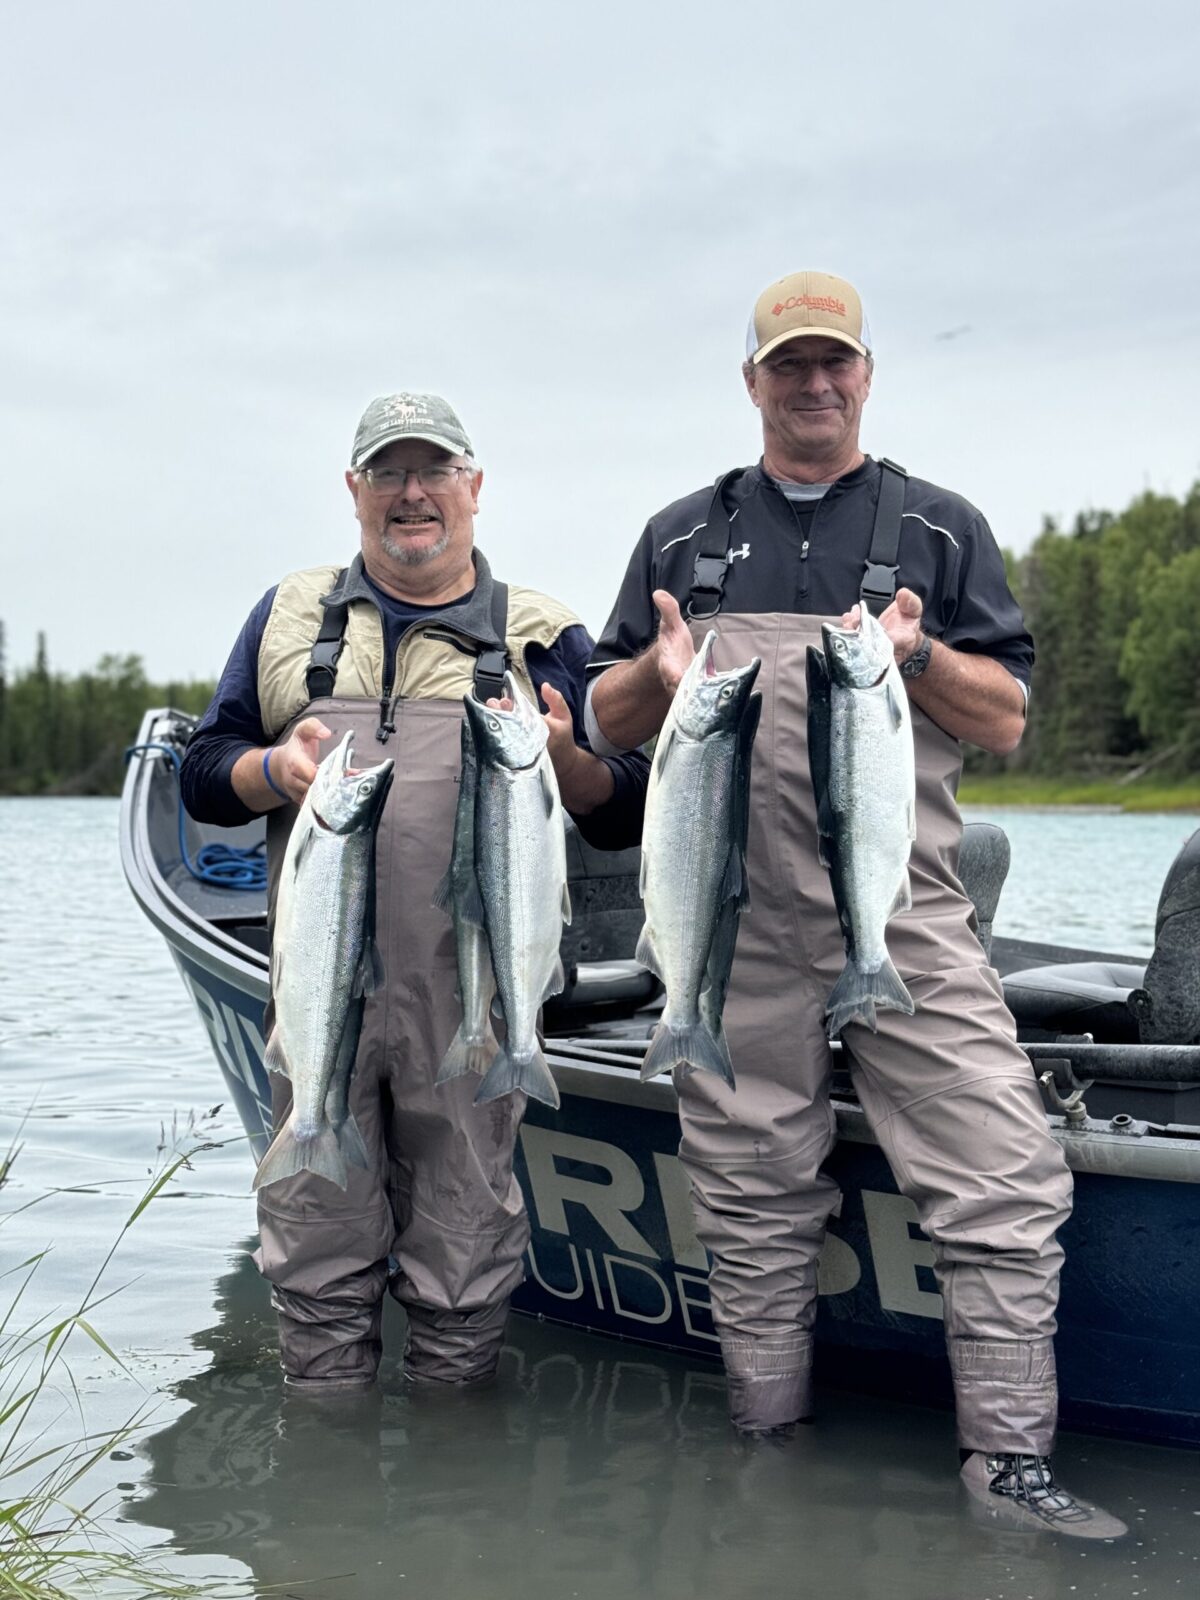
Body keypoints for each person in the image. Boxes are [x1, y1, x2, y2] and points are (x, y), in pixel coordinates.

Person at [585, 272, 1125, 1539]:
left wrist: (919, 654)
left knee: (1004, 1173)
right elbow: (607, 725)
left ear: (867, 374)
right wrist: (659, 680)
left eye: (835, 363)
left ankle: (1007, 1466)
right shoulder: (679, 537)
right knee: (749, 1190)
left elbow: (1005, 717)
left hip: (905, 912)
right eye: (789, 365)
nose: (813, 384)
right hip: (730, 919)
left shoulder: (941, 525)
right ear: (754, 381)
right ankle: (765, 1453)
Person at [182, 391, 647, 1395]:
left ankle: (451, 1469)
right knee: (312, 1247)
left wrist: (564, 758)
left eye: (434, 469)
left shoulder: (543, 634)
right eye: (387, 471)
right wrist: (275, 771)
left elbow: (625, 812)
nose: (412, 493)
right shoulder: (291, 614)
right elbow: (202, 769)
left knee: (466, 1254)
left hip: (471, 1006)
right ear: (354, 492)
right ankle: (326, 1473)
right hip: (320, 998)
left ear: (475, 488)